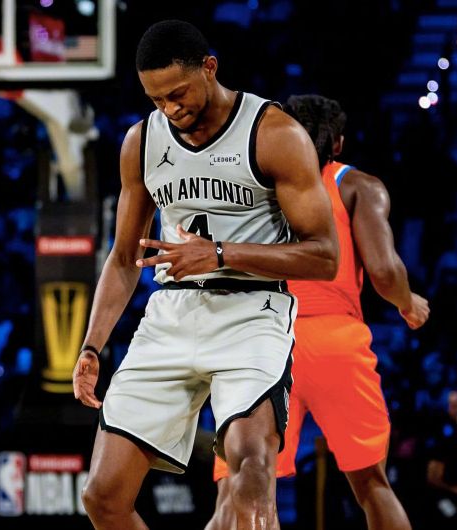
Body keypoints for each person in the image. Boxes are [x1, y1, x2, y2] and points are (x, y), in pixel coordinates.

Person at [72, 21, 339, 530]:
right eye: (156, 99)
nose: (170, 109)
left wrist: (218, 254)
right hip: (170, 314)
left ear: (209, 68)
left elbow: (324, 257)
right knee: (102, 496)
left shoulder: (274, 133)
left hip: (252, 312)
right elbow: (124, 258)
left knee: (252, 473)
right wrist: (91, 346)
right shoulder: (141, 142)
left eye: (177, 93)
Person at [207, 94, 430, 530]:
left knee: (239, 488)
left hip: (262, 339)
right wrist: (409, 304)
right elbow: (385, 272)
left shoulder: (252, 186)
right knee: (372, 484)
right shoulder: (357, 185)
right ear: (339, 143)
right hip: (335, 342)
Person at [425, 389, 457, 530]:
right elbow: (433, 478)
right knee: (453, 518)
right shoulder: (441, 433)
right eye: (454, 406)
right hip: (444, 494)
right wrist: (456, 490)